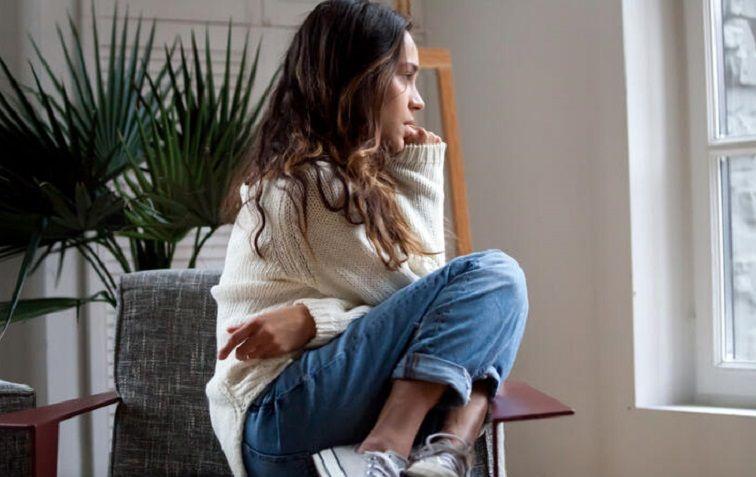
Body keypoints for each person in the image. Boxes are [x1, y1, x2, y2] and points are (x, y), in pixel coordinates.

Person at [205, 1, 529, 476]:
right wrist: (420, 173)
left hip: (303, 415)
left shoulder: (345, 182)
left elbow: (435, 316)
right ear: (359, 81)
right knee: (497, 277)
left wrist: (313, 320)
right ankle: (392, 444)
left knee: (481, 330)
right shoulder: (306, 187)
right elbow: (429, 297)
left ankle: (444, 454)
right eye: (405, 77)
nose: (417, 101)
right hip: (277, 413)